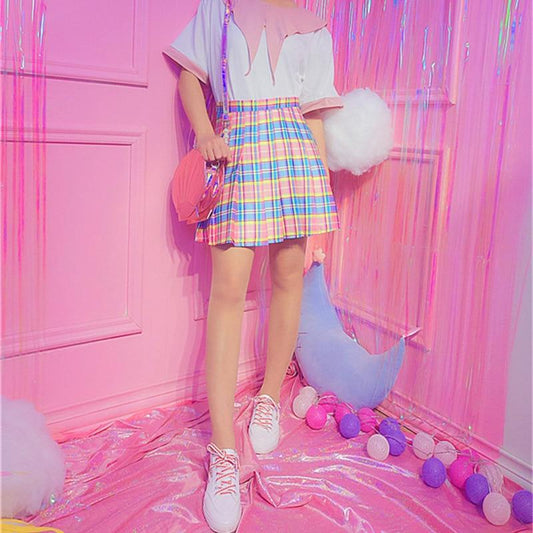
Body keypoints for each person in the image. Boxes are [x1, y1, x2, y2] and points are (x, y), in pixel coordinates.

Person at [164, 0, 343, 530]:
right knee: (227, 292)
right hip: (235, 149)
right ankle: (223, 450)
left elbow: (313, 114)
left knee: (288, 279)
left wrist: (320, 192)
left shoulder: (315, 25)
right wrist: (204, 131)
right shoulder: (219, 8)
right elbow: (190, 76)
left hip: (295, 155)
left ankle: (267, 397)